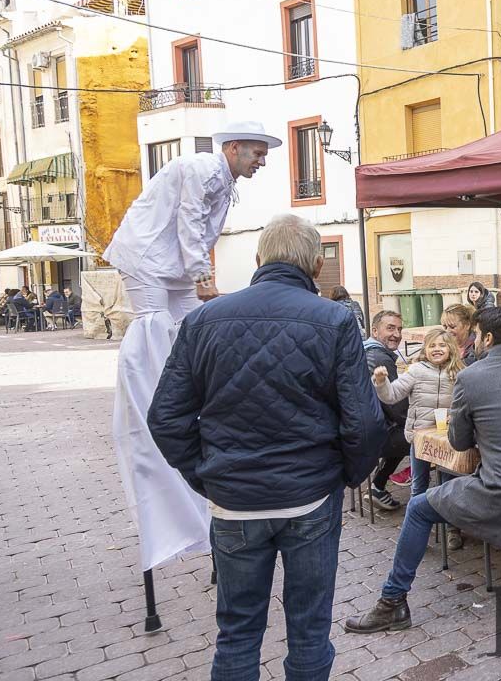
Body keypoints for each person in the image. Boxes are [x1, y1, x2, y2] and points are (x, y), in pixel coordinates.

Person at [148, 214, 386, 681]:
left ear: (259, 260)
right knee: (310, 630)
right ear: (318, 266)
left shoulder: (204, 320)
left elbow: (166, 417)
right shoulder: (335, 320)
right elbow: (365, 422)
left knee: (237, 632)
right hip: (310, 497)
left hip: (237, 499)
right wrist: (345, 476)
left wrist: (208, 473)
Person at [105, 120, 275, 572]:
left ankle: (194, 382)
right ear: (233, 147)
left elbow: (200, 233)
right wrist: (203, 278)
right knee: (158, 325)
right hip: (150, 258)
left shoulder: (224, 181)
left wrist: (198, 280)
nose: (262, 161)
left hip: (174, 263)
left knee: (191, 328)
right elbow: (189, 225)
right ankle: (162, 388)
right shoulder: (200, 168)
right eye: (257, 153)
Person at [345, 306, 501, 633]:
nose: (476, 339)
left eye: (478, 334)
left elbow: (460, 441)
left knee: (419, 507)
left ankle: (392, 602)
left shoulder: (470, 377)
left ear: (488, 337)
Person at [372, 327, 465, 498]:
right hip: (419, 437)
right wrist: (381, 381)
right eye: (432, 346)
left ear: (451, 348)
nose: (437, 349)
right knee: (419, 482)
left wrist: (456, 415)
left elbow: (466, 403)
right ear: (425, 349)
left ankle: (446, 519)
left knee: (447, 483)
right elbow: (391, 395)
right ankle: (417, 516)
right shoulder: (416, 370)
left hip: (446, 437)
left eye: (442, 345)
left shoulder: (458, 373)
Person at [363, 311, 413, 506]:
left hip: (364, 426)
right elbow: (397, 409)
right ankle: (424, 495)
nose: (397, 334)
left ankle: (377, 486)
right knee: (419, 437)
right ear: (375, 331)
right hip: (373, 434)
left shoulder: (366, 350)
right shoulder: (380, 357)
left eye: (399, 329)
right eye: (390, 328)